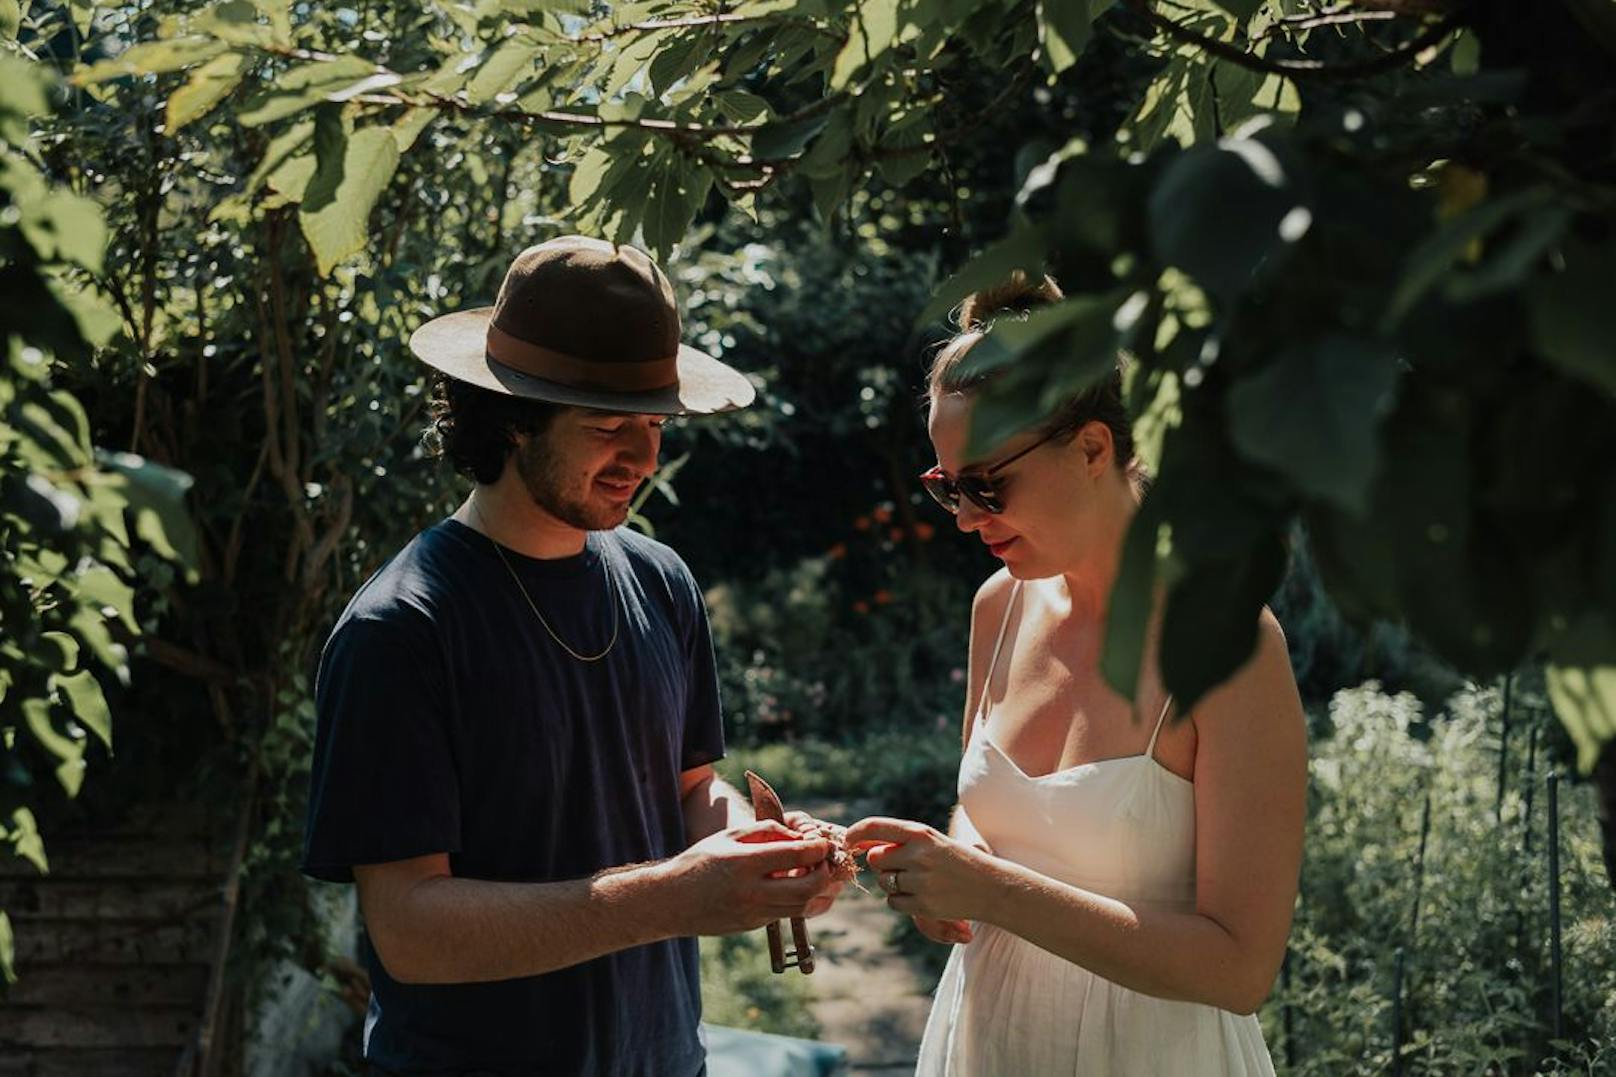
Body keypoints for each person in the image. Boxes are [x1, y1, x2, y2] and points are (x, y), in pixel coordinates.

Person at [301, 235, 842, 1074]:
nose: (644, 458)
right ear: (513, 418)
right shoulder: (401, 629)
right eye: (609, 426)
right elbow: (409, 929)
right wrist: (671, 897)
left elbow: (693, 791)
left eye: (655, 423)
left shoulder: (662, 582)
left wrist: (758, 851)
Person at [846, 274, 1307, 1075]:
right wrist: (940, 873)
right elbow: (984, 814)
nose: (962, 517)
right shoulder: (999, 606)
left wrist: (989, 891)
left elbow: (1241, 968)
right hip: (986, 1042)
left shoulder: (1227, 646)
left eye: (986, 483)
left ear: (1094, 447)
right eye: (947, 487)